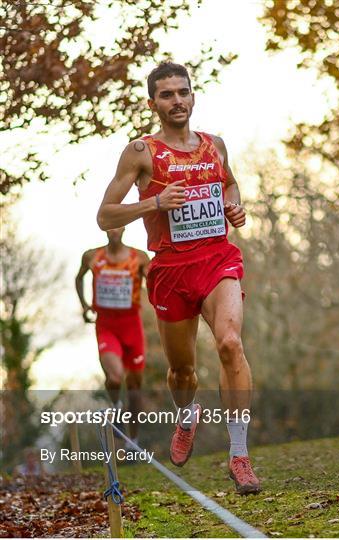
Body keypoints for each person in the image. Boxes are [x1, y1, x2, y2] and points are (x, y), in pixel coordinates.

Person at [96, 62, 261, 494]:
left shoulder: (215, 145)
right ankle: (186, 415)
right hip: (170, 268)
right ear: (153, 104)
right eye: (166, 95)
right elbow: (104, 215)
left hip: (217, 258)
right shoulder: (140, 152)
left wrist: (234, 207)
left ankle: (239, 454)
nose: (177, 101)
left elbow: (230, 185)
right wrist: (153, 204)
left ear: (193, 96)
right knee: (182, 371)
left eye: (183, 92)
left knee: (230, 343)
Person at [75, 227, 150, 444]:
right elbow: (78, 278)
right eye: (110, 225)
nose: (114, 230)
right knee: (115, 377)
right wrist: (84, 306)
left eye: (118, 225)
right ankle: (116, 406)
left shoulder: (139, 257)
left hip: (132, 326)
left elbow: (153, 280)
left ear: (124, 228)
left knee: (135, 386)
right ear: (105, 228)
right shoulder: (92, 256)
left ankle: (132, 441)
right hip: (106, 325)